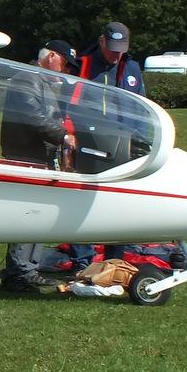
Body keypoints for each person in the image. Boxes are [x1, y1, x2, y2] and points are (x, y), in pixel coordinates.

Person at [0, 40, 77, 292]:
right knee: (27, 215)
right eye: (65, 64)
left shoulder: (41, 81)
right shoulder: (27, 79)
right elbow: (33, 117)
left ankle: (29, 269)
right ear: (51, 56)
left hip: (38, 156)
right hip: (25, 156)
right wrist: (63, 136)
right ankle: (18, 273)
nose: (65, 71)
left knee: (38, 215)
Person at [67, 22, 145, 267]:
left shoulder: (131, 68)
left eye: (120, 49)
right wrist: (70, 137)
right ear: (101, 41)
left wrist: (141, 141)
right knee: (82, 202)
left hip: (124, 145)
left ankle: (115, 262)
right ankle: (83, 261)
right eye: (112, 48)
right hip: (87, 142)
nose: (116, 54)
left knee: (120, 204)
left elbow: (141, 106)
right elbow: (66, 105)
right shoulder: (82, 66)